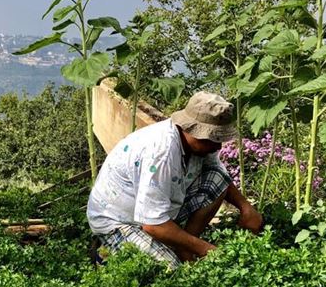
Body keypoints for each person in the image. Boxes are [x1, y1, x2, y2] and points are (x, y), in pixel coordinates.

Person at [87, 90, 263, 269]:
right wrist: (206, 249)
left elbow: (219, 175)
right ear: (189, 128)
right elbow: (153, 225)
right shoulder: (161, 154)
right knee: (171, 269)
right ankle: (105, 251)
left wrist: (246, 207)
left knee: (217, 180)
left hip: (156, 211)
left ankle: (183, 247)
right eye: (212, 138)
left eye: (220, 139)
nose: (217, 146)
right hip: (120, 220)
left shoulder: (198, 145)